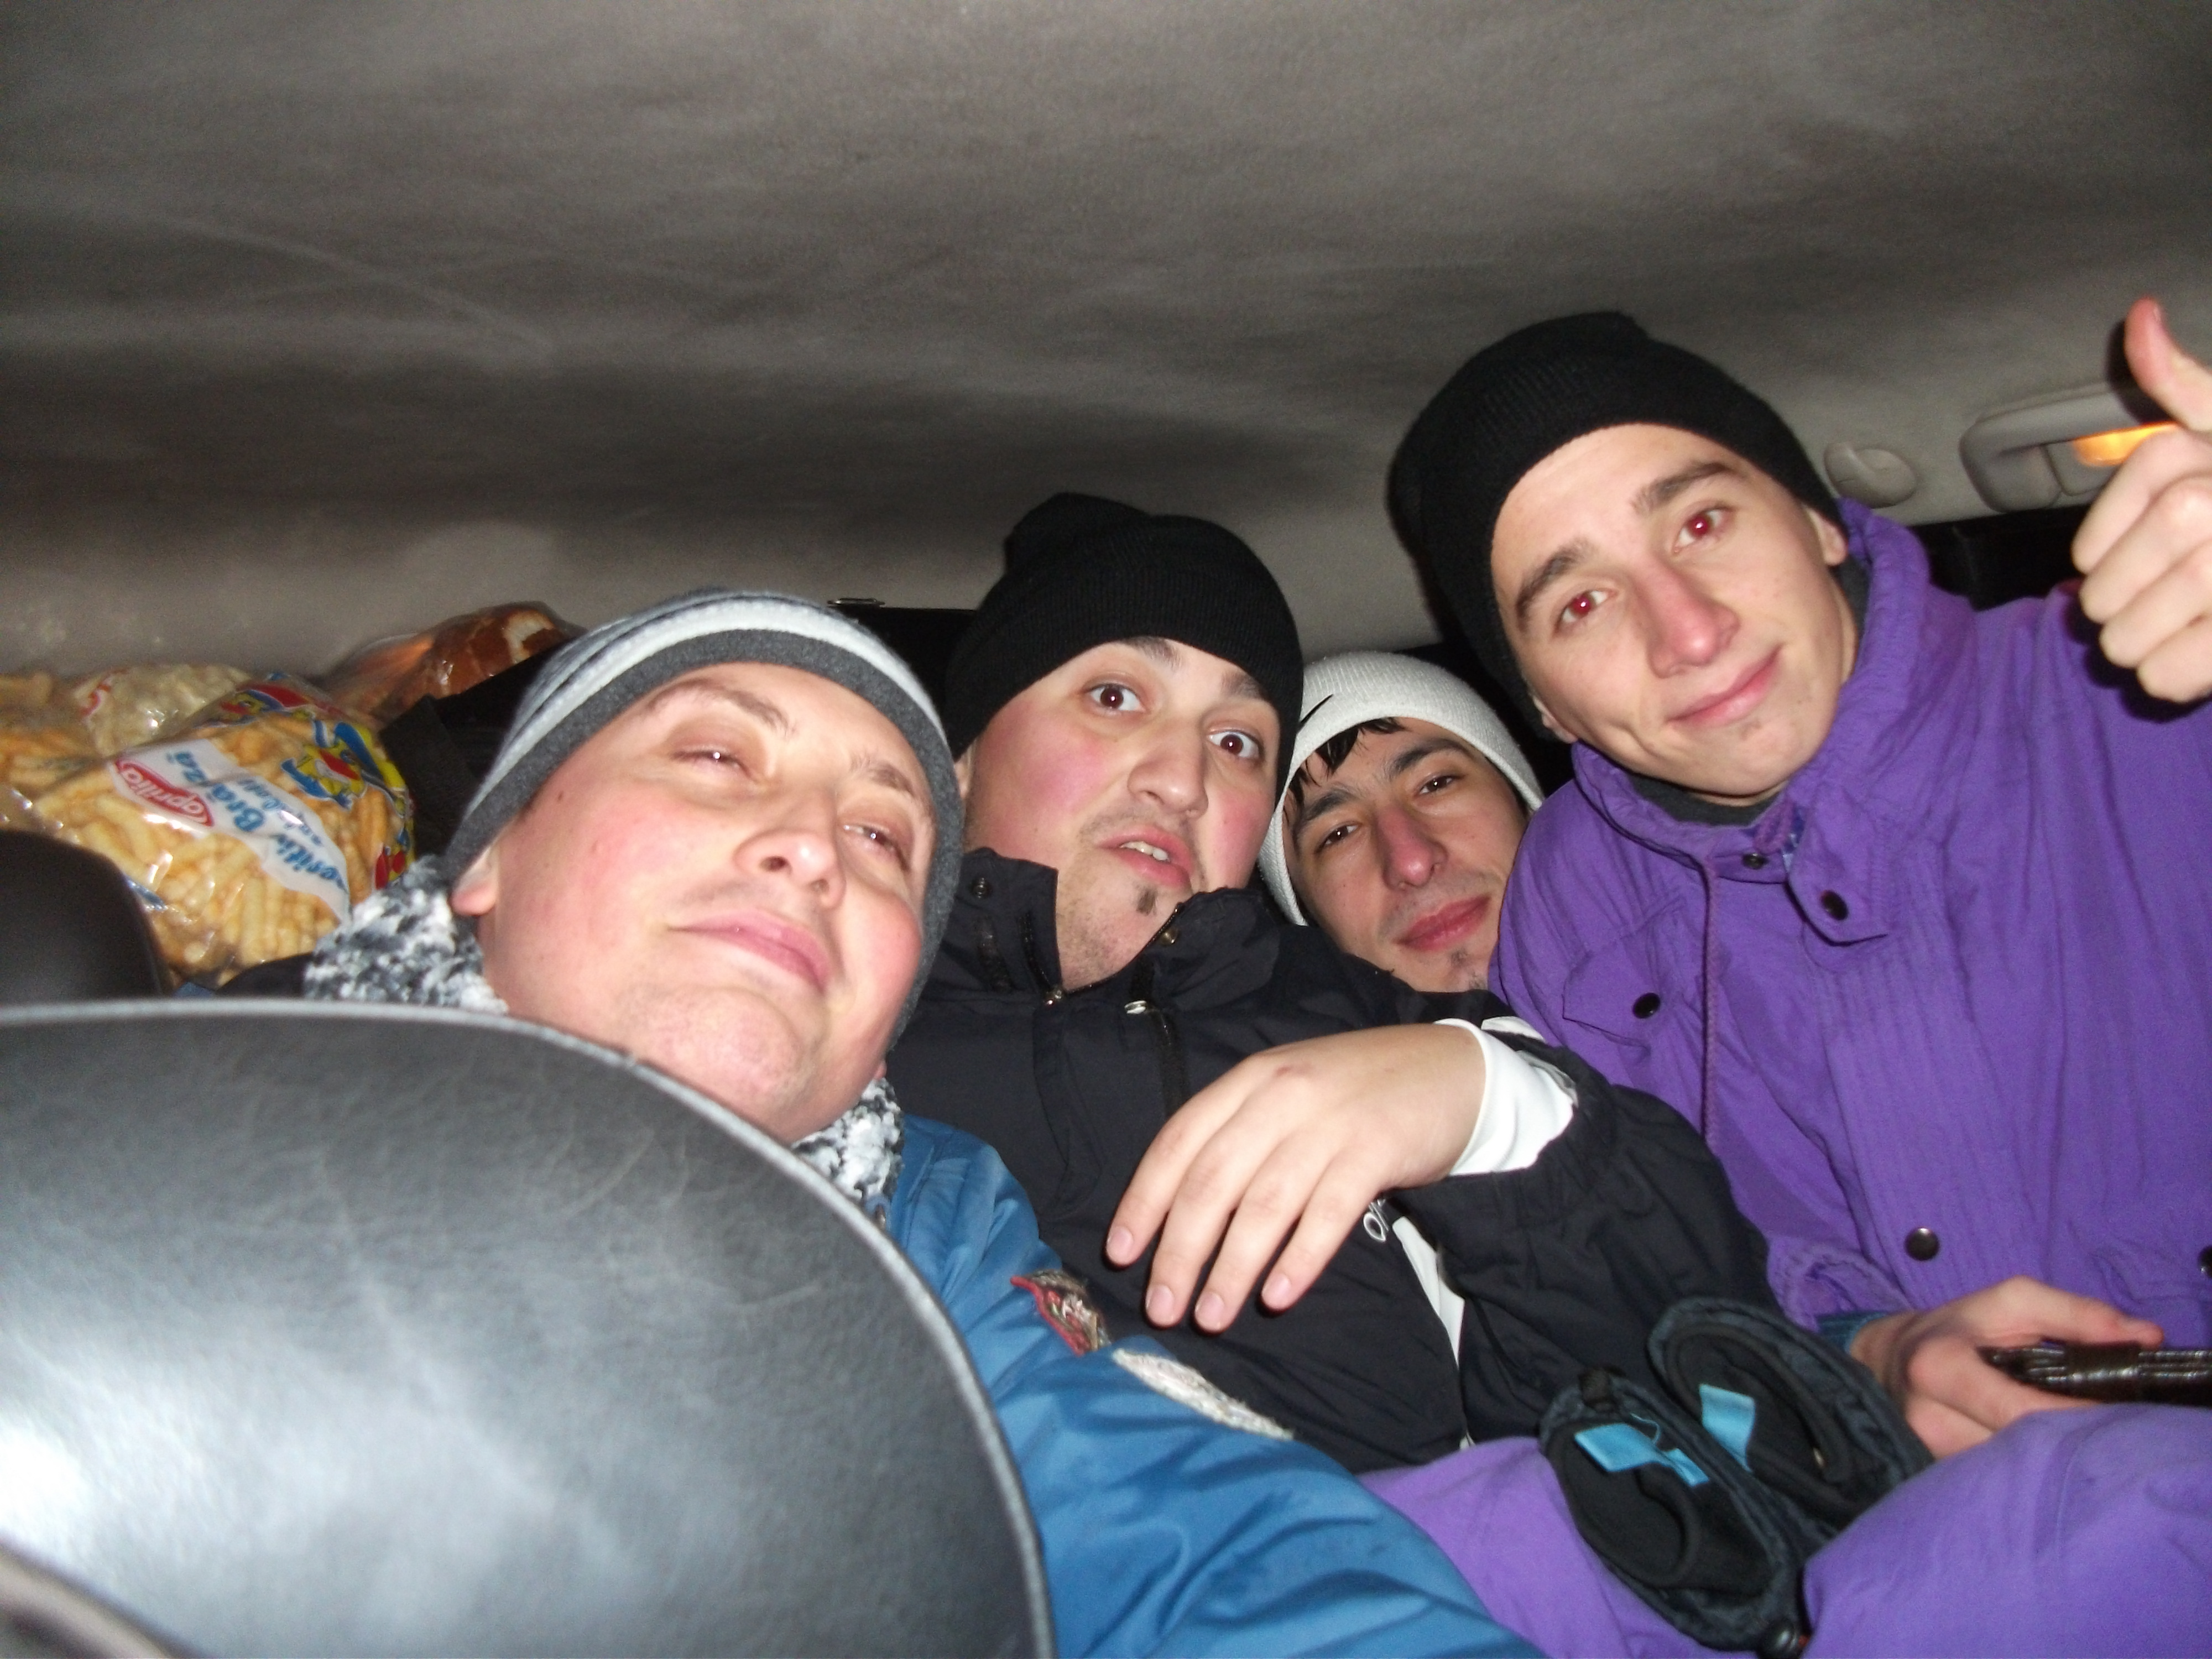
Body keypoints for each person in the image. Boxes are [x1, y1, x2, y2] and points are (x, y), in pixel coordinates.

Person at [290, 589, 1533, 1659]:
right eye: (717, 756)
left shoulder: (935, 1224)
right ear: (490, 851)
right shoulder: (213, 1095)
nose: (811, 849)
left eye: (879, 834)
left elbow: (1192, 1535)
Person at [1260, 644, 2212, 1658]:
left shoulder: (1731, 1011)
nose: (1408, 857)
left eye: (1438, 782)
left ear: (1529, 797)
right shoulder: (1329, 1189)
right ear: (1309, 919)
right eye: (1338, 833)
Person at [885, 491, 1776, 1474]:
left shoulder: (1372, 1020)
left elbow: (1699, 1374)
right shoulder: (838, 1034)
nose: (1183, 779)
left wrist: (1493, 1108)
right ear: (957, 760)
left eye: (1236, 742)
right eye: (1115, 698)